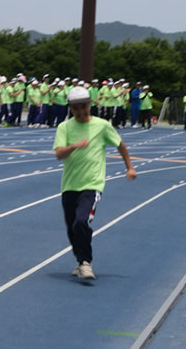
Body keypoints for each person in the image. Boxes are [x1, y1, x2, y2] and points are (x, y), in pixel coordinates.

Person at [53, 86, 137, 279]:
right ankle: (79, 259)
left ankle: (85, 262)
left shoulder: (102, 126)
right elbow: (58, 154)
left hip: (92, 184)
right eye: (76, 108)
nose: (81, 112)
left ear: (90, 105)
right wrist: (73, 146)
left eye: (84, 107)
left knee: (81, 221)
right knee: (71, 227)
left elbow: (120, 144)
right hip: (69, 185)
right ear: (70, 109)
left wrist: (129, 167)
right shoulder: (64, 127)